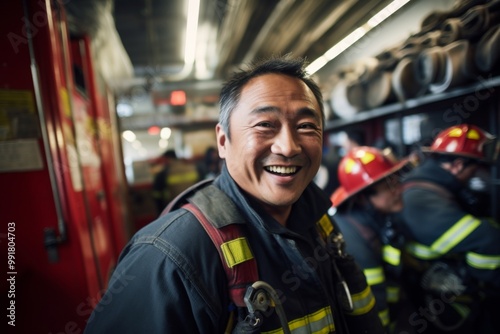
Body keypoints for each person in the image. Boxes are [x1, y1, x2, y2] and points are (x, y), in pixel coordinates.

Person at [84, 56, 384, 333]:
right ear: (224, 141)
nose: (289, 147)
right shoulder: (169, 257)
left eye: (306, 126)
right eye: (265, 125)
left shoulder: (318, 222)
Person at [400, 123, 500, 333]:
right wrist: (484, 281)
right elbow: (487, 241)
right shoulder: (420, 198)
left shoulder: (429, 184)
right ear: (457, 165)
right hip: (433, 296)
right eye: (476, 169)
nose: (478, 176)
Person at [330, 146, 413, 333]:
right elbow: (373, 304)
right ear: (362, 198)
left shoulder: (376, 218)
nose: (398, 190)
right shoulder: (353, 240)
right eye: (388, 187)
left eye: (396, 181)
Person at [151, 149, 201, 215]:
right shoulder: (192, 167)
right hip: (195, 207)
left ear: (167, 159)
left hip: (174, 209)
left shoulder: (165, 172)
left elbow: (158, 195)